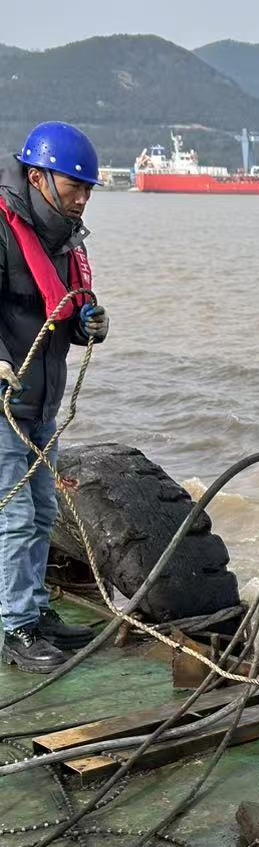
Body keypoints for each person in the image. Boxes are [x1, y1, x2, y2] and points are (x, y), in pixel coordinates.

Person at [0, 122, 107, 673]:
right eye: (74, 187)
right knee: (15, 515)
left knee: (42, 510)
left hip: (41, 404)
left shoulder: (63, 237)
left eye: (87, 189)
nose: (82, 198)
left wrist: (89, 324)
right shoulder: (1, 229)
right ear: (38, 178)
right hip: (3, 402)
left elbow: (61, 309)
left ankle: (34, 613)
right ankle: (15, 629)